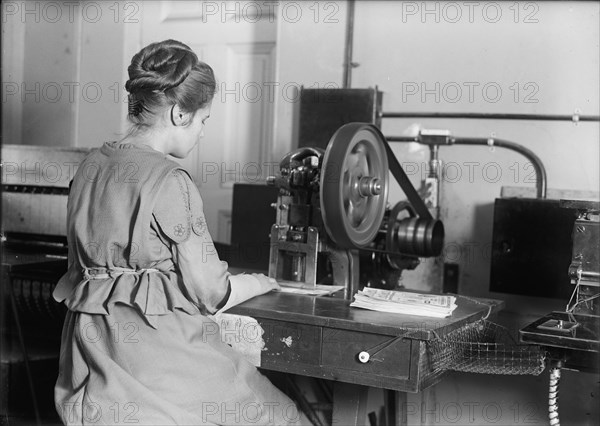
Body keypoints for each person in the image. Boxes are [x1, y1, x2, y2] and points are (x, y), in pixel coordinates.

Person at [53, 39, 308, 425]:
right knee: (286, 417)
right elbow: (212, 291)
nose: (203, 132)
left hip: (92, 363)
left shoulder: (90, 166)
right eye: (203, 120)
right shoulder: (171, 181)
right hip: (159, 365)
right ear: (178, 114)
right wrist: (262, 282)